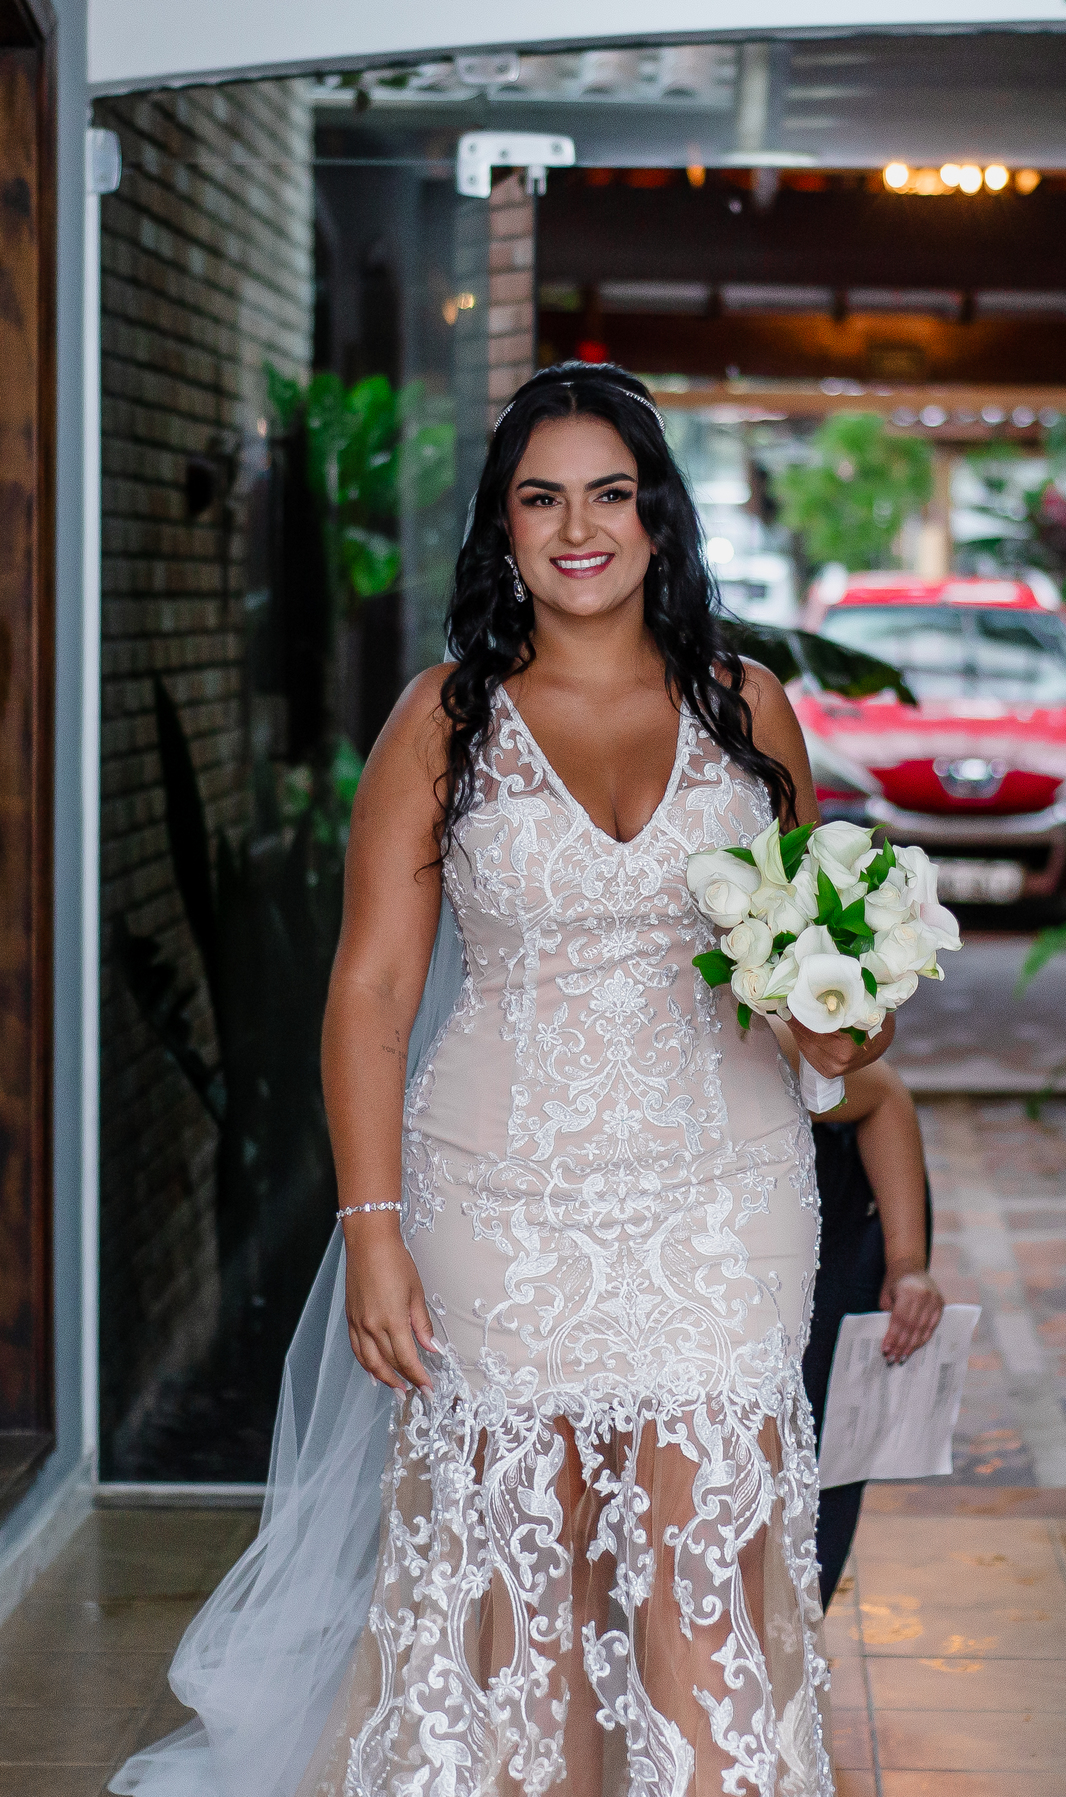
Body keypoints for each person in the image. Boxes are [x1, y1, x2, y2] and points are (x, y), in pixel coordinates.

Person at [112, 361, 895, 1797]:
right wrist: (372, 1229)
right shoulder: (444, 721)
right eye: (543, 499)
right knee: (519, 1610)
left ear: (658, 518)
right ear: (504, 526)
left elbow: (809, 963)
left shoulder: (751, 711)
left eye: (610, 494)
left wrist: (849, 1032)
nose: (578, 528)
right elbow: (371, 991)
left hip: (726, 1201)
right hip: (498, 1202)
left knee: (703, 1587)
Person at [805, 1065, 943, 1610]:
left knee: (815, 1473)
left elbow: (880, 1092)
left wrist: (907, 1263)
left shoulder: (730, 1043)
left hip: (815, 1247)